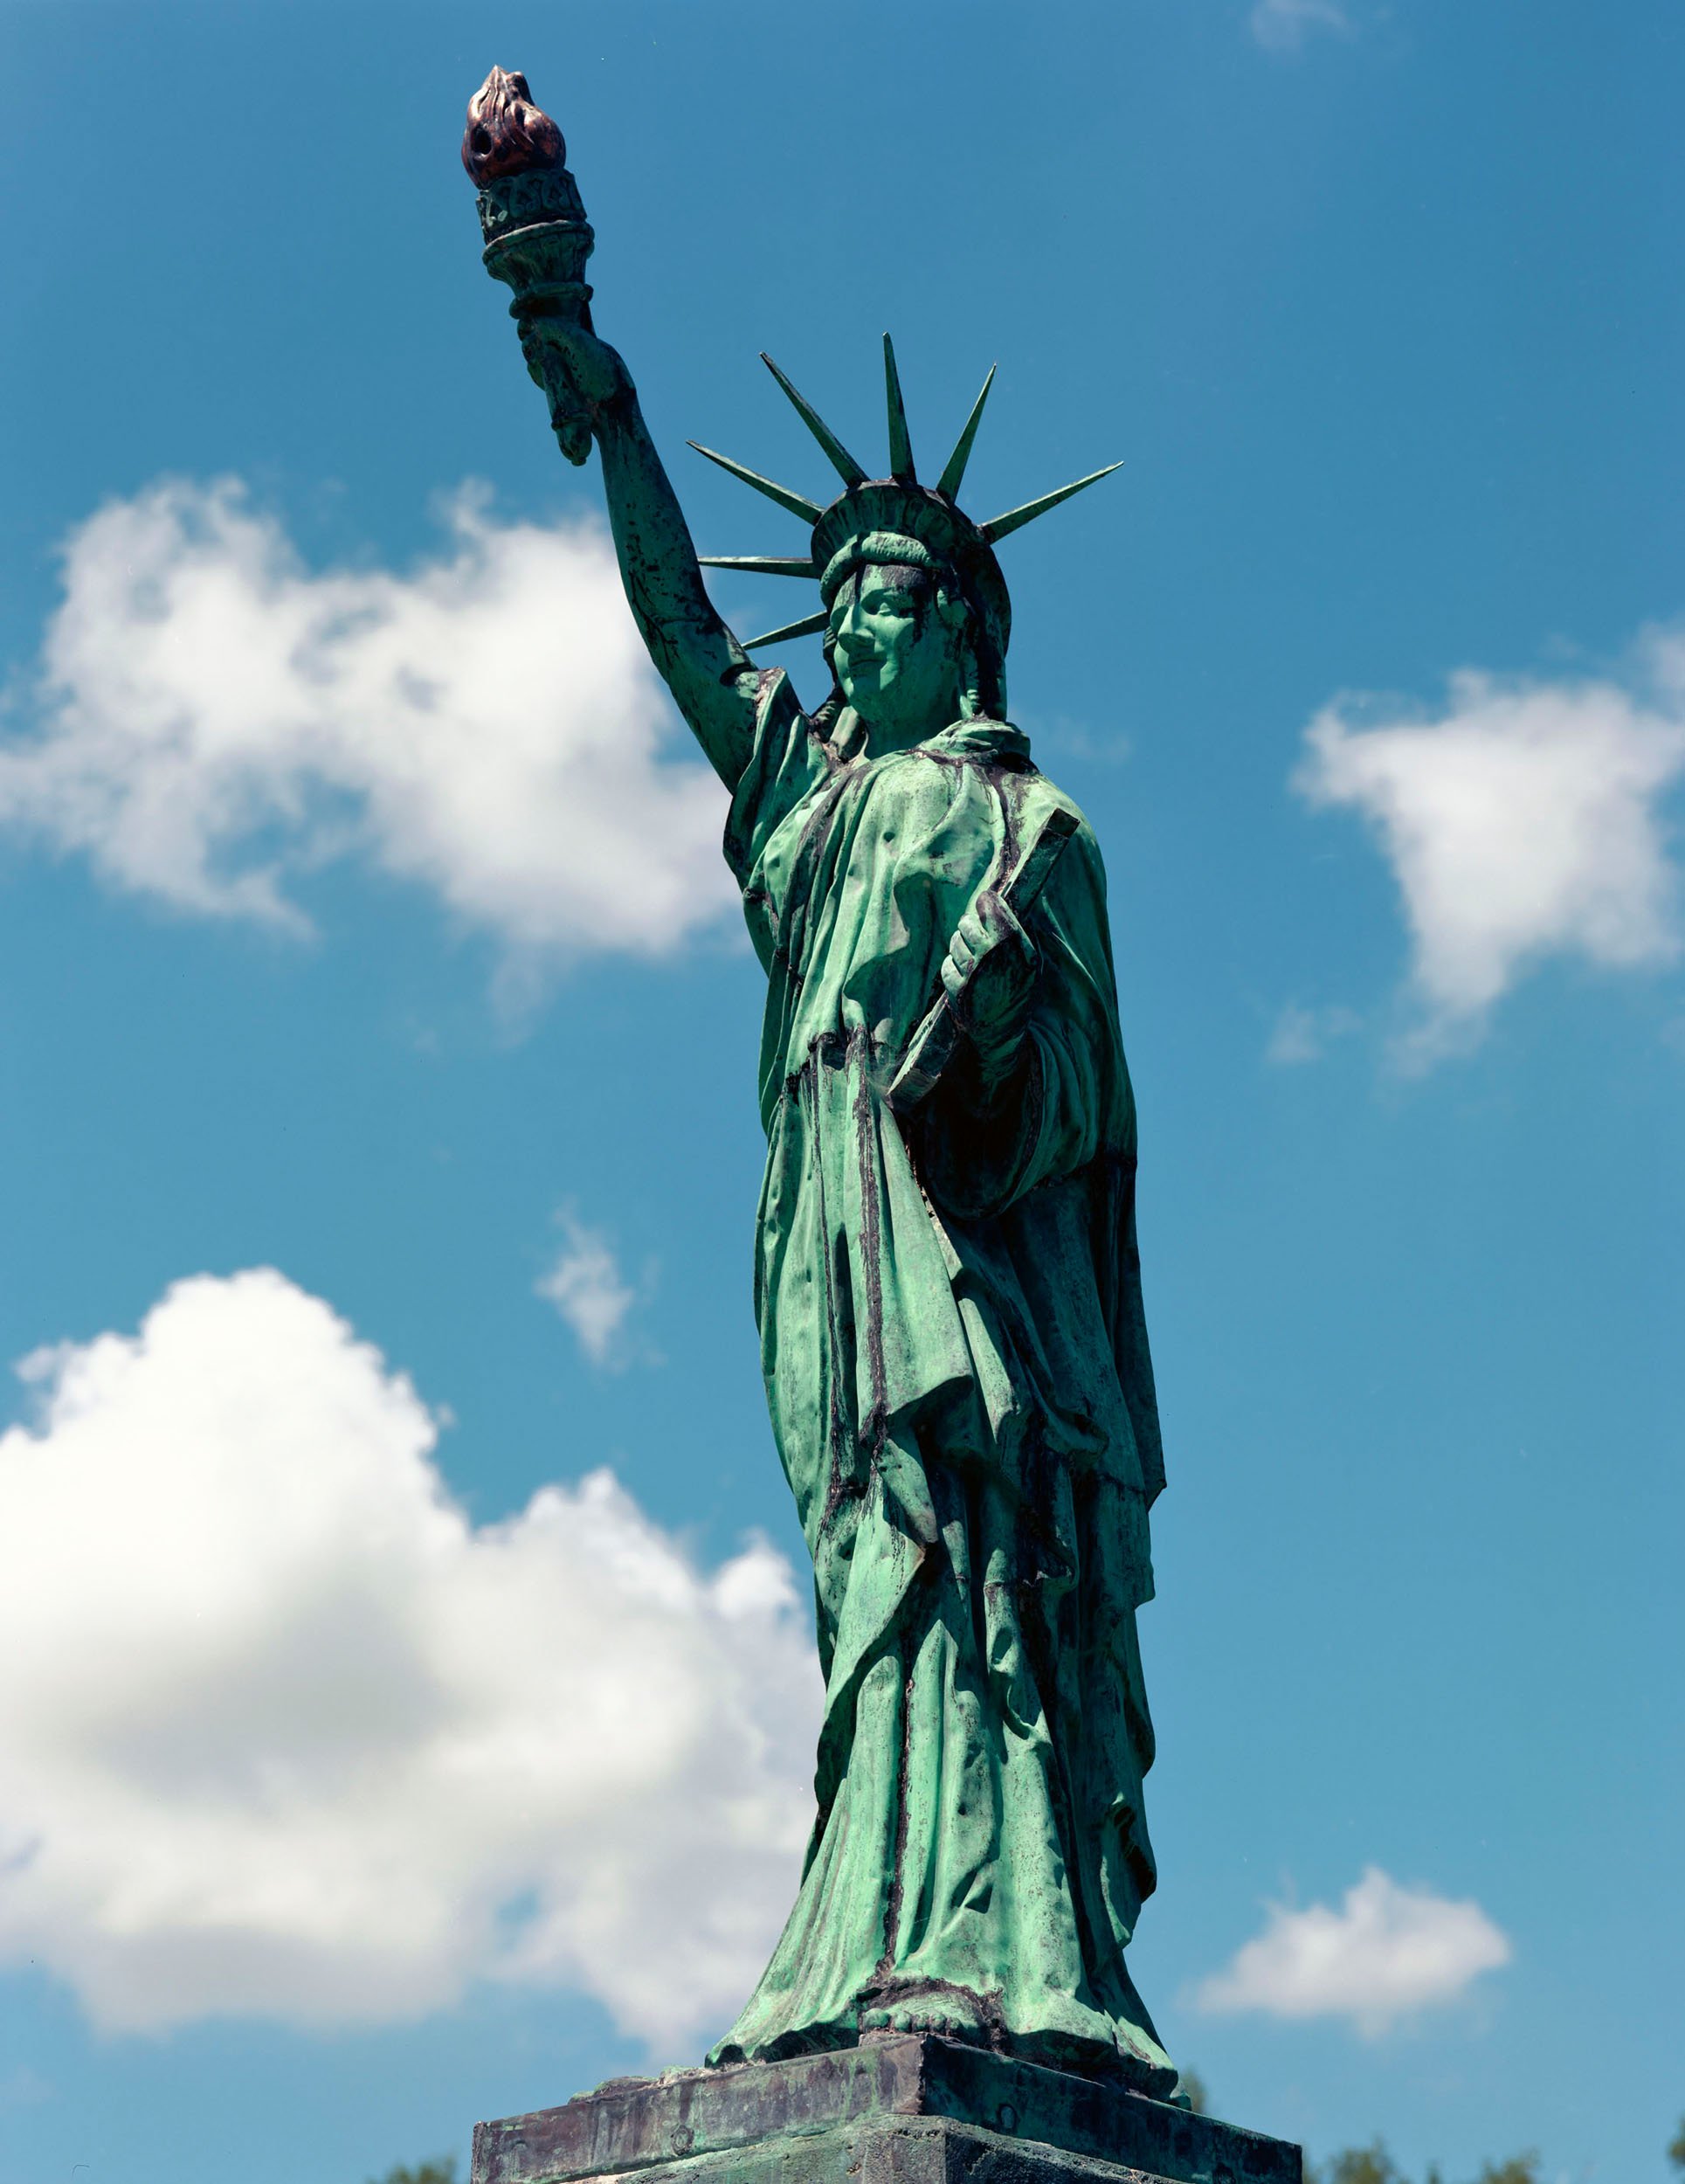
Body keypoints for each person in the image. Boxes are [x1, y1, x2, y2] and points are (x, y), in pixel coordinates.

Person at [522, 314, 1177, 2094]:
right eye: (835, 607)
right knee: (866, 1573)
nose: (849, 628)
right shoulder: (803, 802)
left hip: (971, 1250)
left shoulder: (1035, 828)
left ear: (958, 616)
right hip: (822, 1222)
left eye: (880, 598)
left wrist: (979, 1062)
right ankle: (865, 1929)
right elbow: (681, 632)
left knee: (976, 1562)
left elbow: (1082, 1113)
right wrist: (596, 386)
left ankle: (999, 1942)